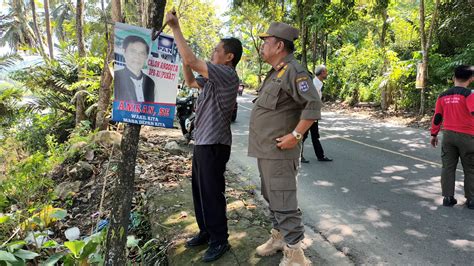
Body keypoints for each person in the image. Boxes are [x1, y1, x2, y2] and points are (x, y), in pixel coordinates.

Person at [165, 11, 242, 262]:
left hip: (215, 144)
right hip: (203, 142)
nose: (213, 52)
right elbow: (189, 80)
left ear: (229, 57)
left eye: (217, 50)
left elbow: (192, 58)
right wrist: (184, 58)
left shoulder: (227, 74)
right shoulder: (212, 78)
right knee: (199, 190)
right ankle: (206, 232)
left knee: (212, 193)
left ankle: (220, 240)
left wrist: (176, 29)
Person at [248, 22, 322, 266]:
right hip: (267, 151)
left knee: (283, 200)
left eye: (266, 41)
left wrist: (296, 135)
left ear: (279, 45)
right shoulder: (276, 71)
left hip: (280, 153)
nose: (262, 46)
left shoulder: (295, 71)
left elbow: (313, 106)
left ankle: (295, 254)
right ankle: (279, 237)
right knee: (272, 197)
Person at [430, 65, 474, 208]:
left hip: (448, 136)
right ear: (471, 79)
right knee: (471, 168)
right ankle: (471, 200)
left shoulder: (443, 95)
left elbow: (437, 117)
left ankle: (448, 198)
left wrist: (434, 134)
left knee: (448, 167)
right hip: (468, 137)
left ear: (453, 78)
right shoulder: (470, 95)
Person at [301, 65, 333, 163]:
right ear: (322, 72)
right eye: (326, 72)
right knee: (303, 135)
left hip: (313, 114)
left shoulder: (318, 83)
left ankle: (320, 156)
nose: (327, 74)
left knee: (315, 135)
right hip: (309, 114)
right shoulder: (314, 83)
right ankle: (299, 156)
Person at [114, 35, 155, 102]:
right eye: (133, 51)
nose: (137, 57)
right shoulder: (116, 77)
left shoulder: (150, 82)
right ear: (124, 52)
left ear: (146, 57)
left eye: (142, 53)